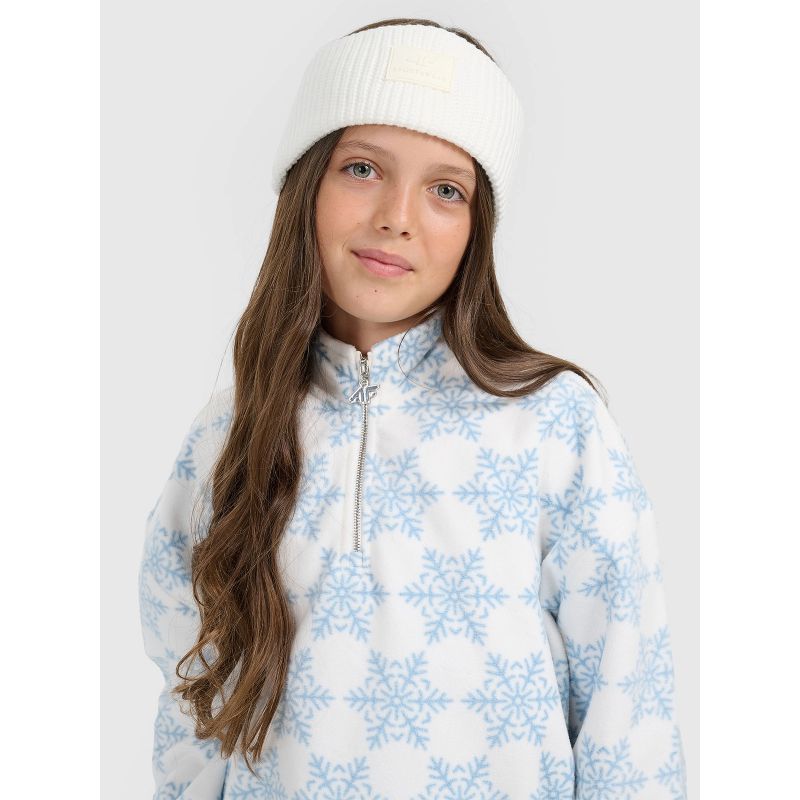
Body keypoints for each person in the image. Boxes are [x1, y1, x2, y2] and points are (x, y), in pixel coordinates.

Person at [138, 17, 688, 800]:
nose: (397, 215)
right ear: (305, 186)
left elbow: (627, 711)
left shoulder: (553, 425)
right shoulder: (227, 434)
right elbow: (191, 696)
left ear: (475, 229)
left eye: (445, 190)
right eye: (362, 168)